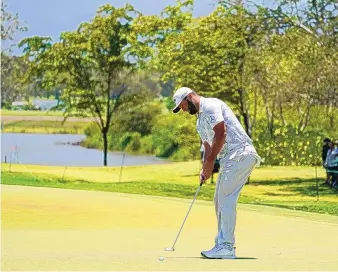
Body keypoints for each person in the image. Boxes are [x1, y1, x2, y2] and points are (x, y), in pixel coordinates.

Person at [172, 87, 260, 259]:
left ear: (190, 97)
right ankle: (222, 243)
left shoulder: (211, 105)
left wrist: (211, 162)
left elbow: (221, 133)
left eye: (182, 105)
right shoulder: (199, 123)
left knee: (226, 199)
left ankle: (226, 246)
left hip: (240, 153)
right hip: (230, 158)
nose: (182, 109)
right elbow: (207, 147)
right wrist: (205, 169)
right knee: (219, 200)